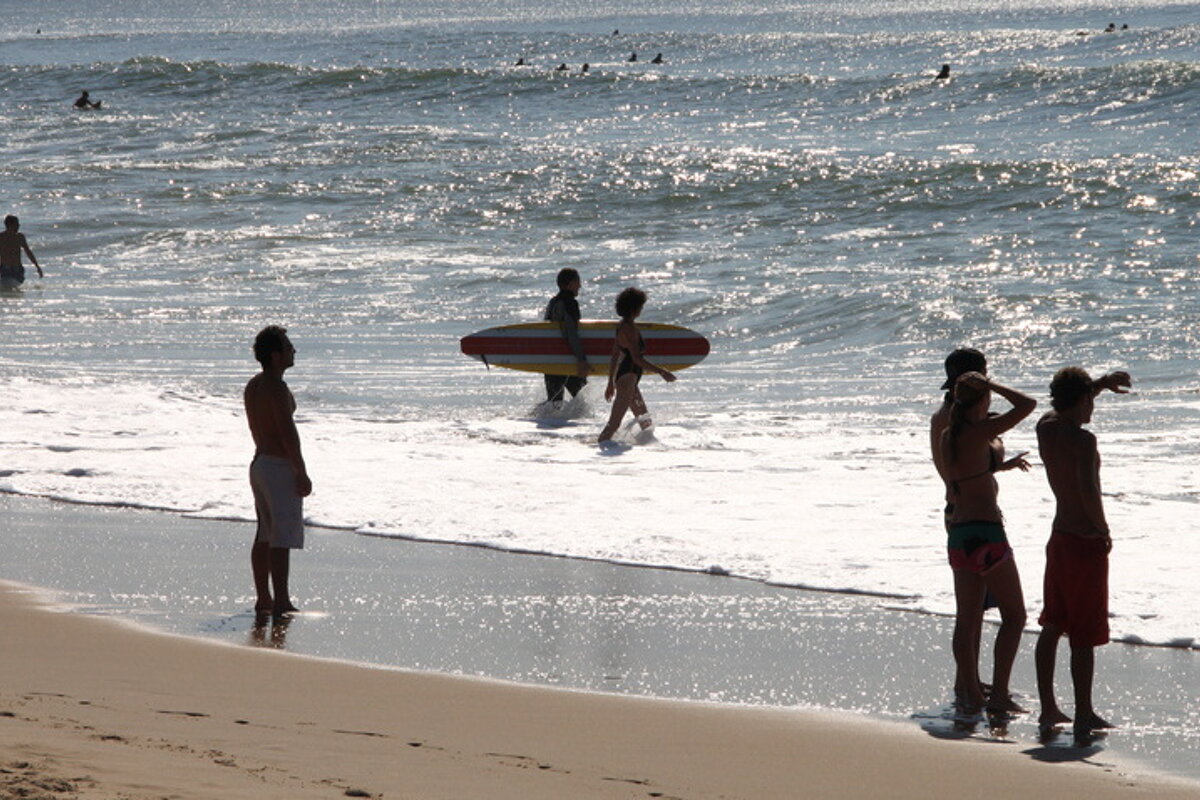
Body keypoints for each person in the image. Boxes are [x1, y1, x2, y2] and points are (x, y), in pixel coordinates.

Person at [1034, 367, 1131, 741]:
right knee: (1085, 633)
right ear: (1082, 399)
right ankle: (1084, 713)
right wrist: (1103, 530)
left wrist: (1098, 385)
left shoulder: (1046, 428)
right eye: (1091, 401)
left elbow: (1061, 408)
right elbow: (1090, 491)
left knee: (1054, 622)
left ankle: (1048, 707)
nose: (1094, 408)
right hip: (1084, 540)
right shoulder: (1084, 441)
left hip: (1058, 538)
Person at [931, 349, 1027, 703]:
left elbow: (957, 468)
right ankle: (990, 691)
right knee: (1012, 615)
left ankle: (968, 686)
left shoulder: (946, 426)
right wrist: (996, 387)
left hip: (957, 525)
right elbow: (1027, 404)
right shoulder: (976, 426)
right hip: (985, 528)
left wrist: (996, 467)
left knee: (967, 616)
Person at [244, 326, 312, 617]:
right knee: (280, 536)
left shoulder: (253, 385)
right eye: (288, 346)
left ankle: (264, 598)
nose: (293, 350)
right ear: (275, 356)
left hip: (259, 463)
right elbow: (287, 433)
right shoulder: (277, 388)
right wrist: (301, 470)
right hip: (276, 464)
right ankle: (281, 599)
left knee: (264, 532)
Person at [598, 287, 676, 442]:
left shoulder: (622, 326)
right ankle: (597, 450)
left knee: (645, 422)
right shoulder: (629, 329)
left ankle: (647, 450)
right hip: (628, 378)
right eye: (641, 306)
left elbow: (614, 356)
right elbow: (637, 359)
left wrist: (610, 383)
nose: (641, 309)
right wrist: (662, 372)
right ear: (635, 308)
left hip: (628, 379)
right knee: (614, 423)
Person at [543, 268, 589, 405]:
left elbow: (549, 331)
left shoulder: (553, 302)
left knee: (554, 404)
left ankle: (530, 420)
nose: (580, 286)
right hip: (568, 359)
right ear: (569, 284)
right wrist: (581, 359)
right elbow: (571, 332)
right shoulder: (570, 303)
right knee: (582, 403)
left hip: (551, 359)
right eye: (578, 282)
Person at [0, 215, 43, 288]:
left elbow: (28, 252)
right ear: (11, 225)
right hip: (5, 268)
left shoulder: (20, 237)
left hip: (18, 269)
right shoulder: (1, 237)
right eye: (17, 224)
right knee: (8, 289)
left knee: (15, 289)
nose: (19, 226)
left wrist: (37, 266)